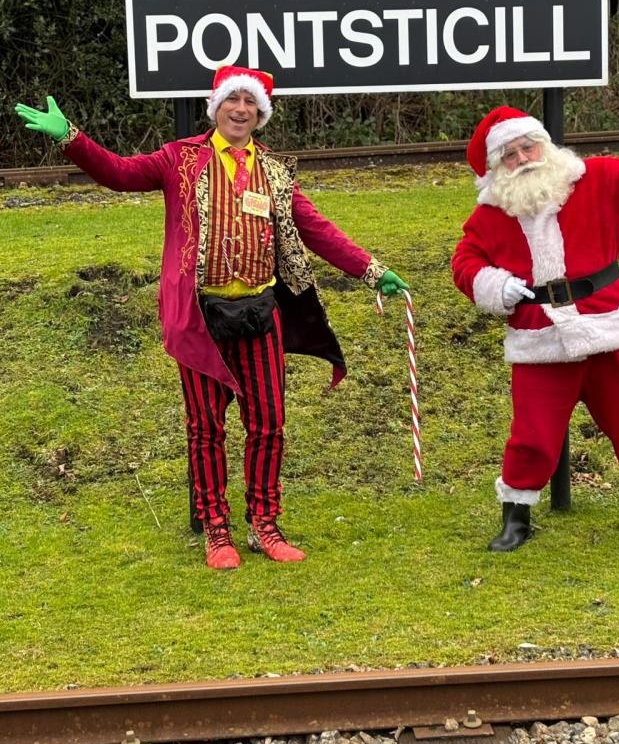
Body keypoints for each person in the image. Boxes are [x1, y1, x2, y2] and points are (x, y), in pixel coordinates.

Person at [15, 66, 408, 570]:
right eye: (233, 100)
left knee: (269, 424)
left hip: (261, 313)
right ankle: (216, 529)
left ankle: (264, 524)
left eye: (251, 103)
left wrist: (371, 270)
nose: (241, 109)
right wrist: (72, 139)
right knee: (205, 428)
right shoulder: (180, 159)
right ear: (216, 106)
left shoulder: (273, 172)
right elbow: (120, 173)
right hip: (202, 317)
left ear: (260, 115)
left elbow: (315, 229)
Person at [452, 86, 619, 552]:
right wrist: (494, 285)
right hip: (538, 338)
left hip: (607, 326)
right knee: (532, 437)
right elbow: (465, 262)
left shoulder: (596, 178)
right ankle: (516, 517)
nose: (524, 158)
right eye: (512, 154)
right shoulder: (489, 215)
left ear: (544, 144)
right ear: (498, 168)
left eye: (529, 146)